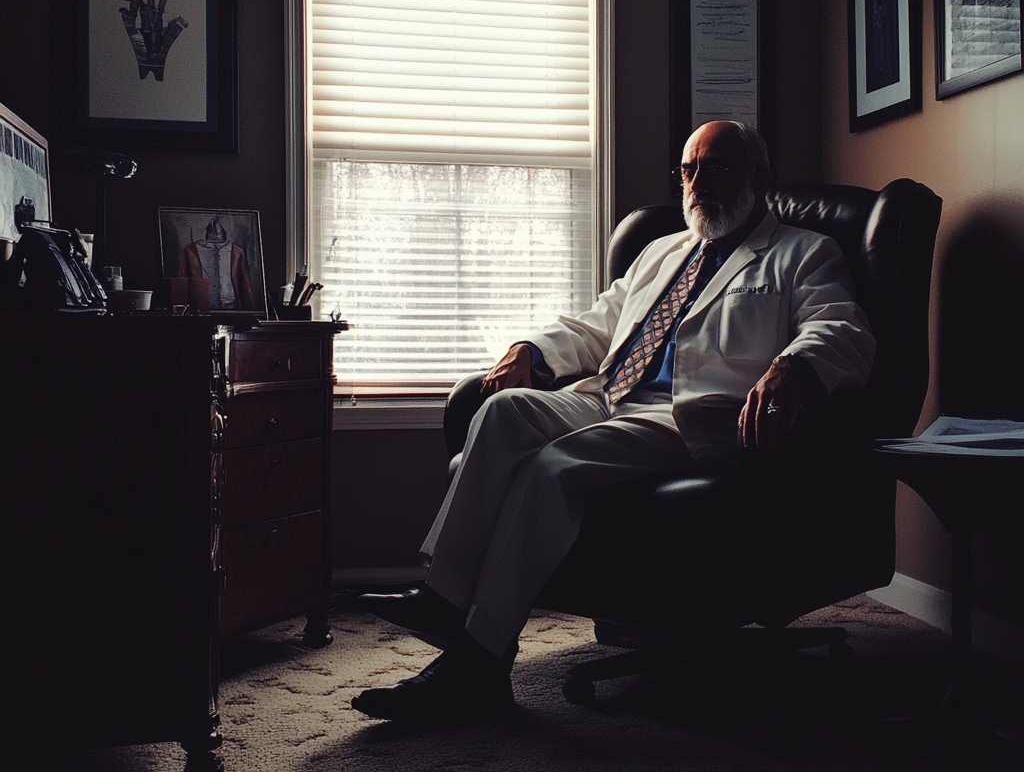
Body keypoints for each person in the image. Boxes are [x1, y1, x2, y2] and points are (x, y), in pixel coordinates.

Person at [351, 120, 876, 722]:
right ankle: (444, 600)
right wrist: (534, 349)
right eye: (689, 170)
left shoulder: (802, 252)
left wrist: (793, 367)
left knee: (552, 467)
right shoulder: (661, 251)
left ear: (759, 180)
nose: (699, 183)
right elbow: (597, 324)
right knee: (501, 411)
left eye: (718, 168)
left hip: (690, 416)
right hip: (611, 396)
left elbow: (842, 327)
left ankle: (478, 661)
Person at [178, 216, 256, 310]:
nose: (215, 237)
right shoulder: (189, 251)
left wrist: (251, 310)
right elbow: (182, 282)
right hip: (201, 308)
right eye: (212, 234)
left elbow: (245, 282)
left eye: (218, 234)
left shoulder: (236, 251)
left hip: (230, 306)